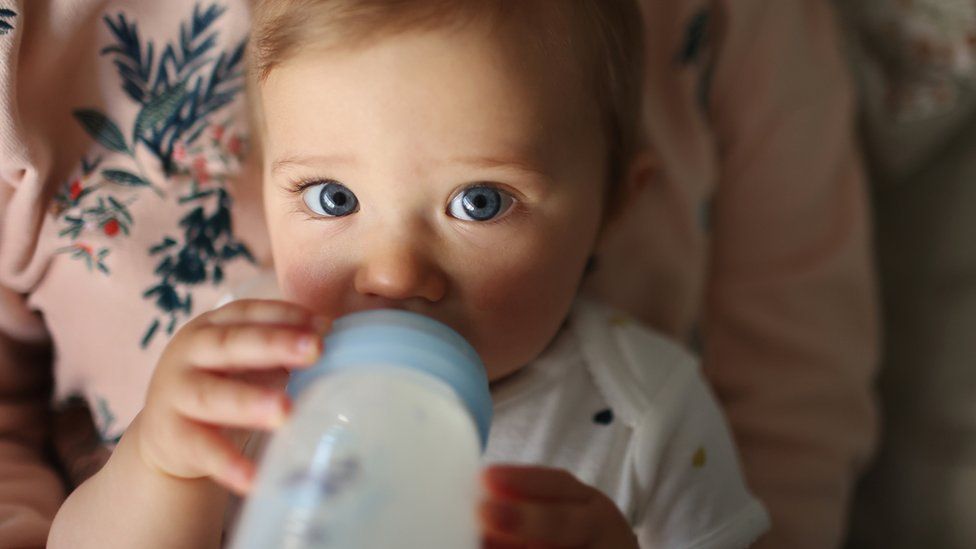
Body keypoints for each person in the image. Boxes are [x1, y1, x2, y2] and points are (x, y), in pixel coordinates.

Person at [0, 1, 875, 548]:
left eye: (481, 203)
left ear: (613, 204)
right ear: (261, 191)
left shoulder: (647, 411)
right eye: (333, 196)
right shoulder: (243, 380)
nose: (392, 273)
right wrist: (159, 464)